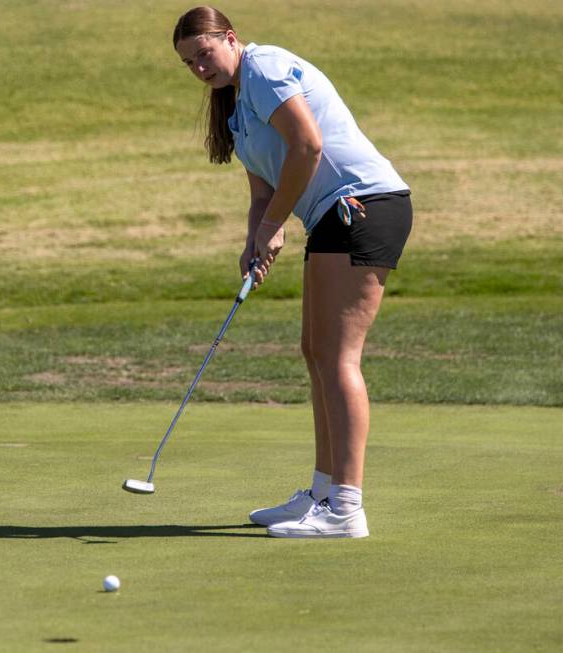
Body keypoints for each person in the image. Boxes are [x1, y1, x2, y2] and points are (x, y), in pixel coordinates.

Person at [172, 6, 413, 538]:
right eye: (189, 63)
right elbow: (263, 189)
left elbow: (308, 145)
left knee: (337, 356)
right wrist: (255, 240)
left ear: (229, 39)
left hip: (364, 205)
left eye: (204, 54)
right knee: (316, 352)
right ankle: (324, 492)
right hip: (335, 214)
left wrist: (277, 223)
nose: (200, 69)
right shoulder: (236, 110)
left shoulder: (264, 68)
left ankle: (346, 507)